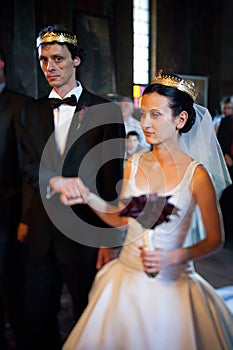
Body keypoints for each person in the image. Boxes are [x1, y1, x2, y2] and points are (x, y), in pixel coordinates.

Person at [62, 72, 233, 350]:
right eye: (143, 114)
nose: (145, 123)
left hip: (172, 284)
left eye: (155, 114)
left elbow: (215, 239)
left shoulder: (197, 175)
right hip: (126, 277)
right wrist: (88, 197)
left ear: (181, 120)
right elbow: (120, 218)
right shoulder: (134, 163)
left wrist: (176, 256)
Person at [18, 24, 125, 350]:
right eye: (44, 60)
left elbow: (112, 177)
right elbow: (26, 166)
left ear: (76, 60)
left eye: (58, 59)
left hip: (85, 231)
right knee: (38, 313)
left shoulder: (106, 111)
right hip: (40, 230)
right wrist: (50, 183)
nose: (50, 67)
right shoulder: (30, 110)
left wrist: (109, 238)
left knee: (87, 309)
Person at [0, 48, 32, 349]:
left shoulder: (20, 104)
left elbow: (28, 169)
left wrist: (25, 217)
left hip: (8, 212)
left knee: (12, 282)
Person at [217, 113, 233, 247]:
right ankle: (226, 233)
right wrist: (225, 154)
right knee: (227, 199)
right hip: (228, 164)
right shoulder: (226, 121)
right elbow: (219, 141)